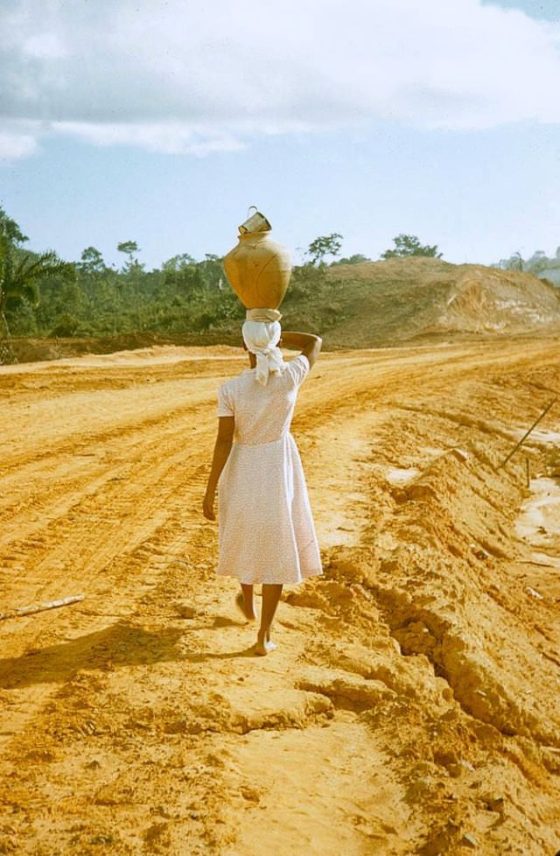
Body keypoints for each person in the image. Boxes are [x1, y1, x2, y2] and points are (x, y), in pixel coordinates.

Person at [202, 308, 323, 655]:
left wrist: (210, 488)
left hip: (243, 466)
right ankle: (263, 634)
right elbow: (314, 342)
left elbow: (224, 441)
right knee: (276, 541)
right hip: (277, 466)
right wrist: (278, 336)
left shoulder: (230, 389)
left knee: (245, 533)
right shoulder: (290, 376)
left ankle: (248, 602)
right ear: (274, 341)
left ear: (243, 345)